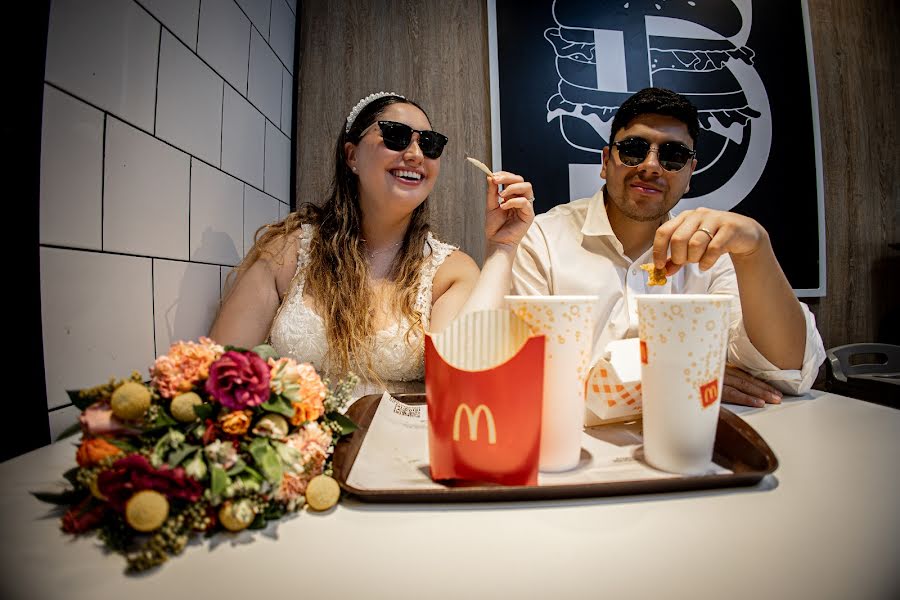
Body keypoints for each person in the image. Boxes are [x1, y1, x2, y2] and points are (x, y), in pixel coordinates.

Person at [512, 87, 825, 407]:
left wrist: (757, 249)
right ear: (606, 162)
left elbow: (787, 370)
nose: (650, 166)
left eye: (673, 155)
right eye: (633, 149)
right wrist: (680, 374)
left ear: (689, 174)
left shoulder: (712, 252)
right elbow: (529, 371)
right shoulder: (543, 240)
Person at [209, 92, 534, 394]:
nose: (415, 154)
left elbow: (460, 385)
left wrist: (502, 250)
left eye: (430, 144)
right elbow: (215, 373)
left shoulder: (450, 273)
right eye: (395, 135)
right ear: (352, 155)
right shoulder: (288, 252)